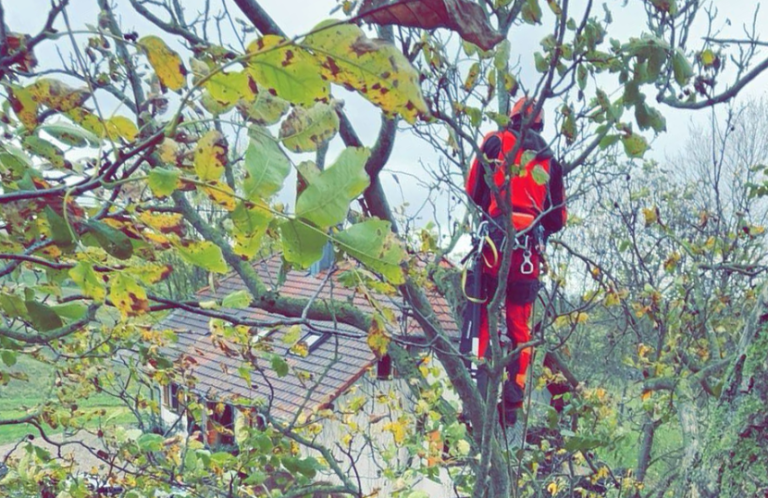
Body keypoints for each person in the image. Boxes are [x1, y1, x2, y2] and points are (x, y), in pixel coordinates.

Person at [464, 97, 567, 426]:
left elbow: (473, 189)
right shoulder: (549, 160)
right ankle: (514, 393)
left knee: (482, 315)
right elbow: (557, 218)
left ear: (511, 117)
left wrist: (493, 207)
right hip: (527, 254)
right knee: (520, 327)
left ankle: (477, 387)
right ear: (540, 125)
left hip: (495, 242)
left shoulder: (493, 143)